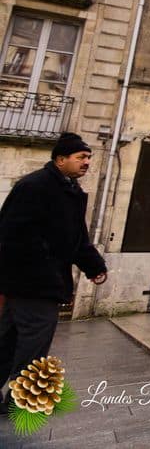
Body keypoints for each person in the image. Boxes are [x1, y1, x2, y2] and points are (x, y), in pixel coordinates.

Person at [0, 132, 108, 396]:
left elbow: (76, 237)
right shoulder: (35, 186)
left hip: (38, 283)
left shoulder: (71, 191)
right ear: (61, 159)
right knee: (33, 347)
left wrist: (94, 266)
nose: (87, 162)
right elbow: (14, 234)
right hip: (32, 283)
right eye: (81, 157)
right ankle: (22, 402)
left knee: (8, 342)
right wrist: (46, 272)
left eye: (88, 157)